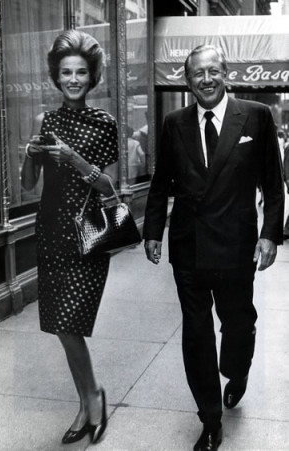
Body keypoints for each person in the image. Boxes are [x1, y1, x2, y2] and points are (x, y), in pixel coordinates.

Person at [143, 44, 284, 451]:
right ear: (186, 81)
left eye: (212, 72)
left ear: (226, 73)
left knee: (237, 325)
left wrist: (270, 234)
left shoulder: (255, 116)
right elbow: (161, 182)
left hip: (237, 248)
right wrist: (153, 230)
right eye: (196, 74)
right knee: (197, 334)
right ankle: (209, 419)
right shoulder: (174, 123)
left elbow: (274, 186)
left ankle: (237, 371)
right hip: (188, 248)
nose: (205, 80)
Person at [21, 30, 118, 445]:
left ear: (92, 76)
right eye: (66, 73)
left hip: (87, 235)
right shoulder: (45, 121)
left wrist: (75, 159)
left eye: (81, 72)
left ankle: (93, 397)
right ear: (56, 77)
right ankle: (88, 401)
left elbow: (110, 188)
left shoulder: (104, 123)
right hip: (51, 233)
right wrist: (30, 155)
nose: (73, 79)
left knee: (69, 323)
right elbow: (28, 186)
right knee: (63, 327)